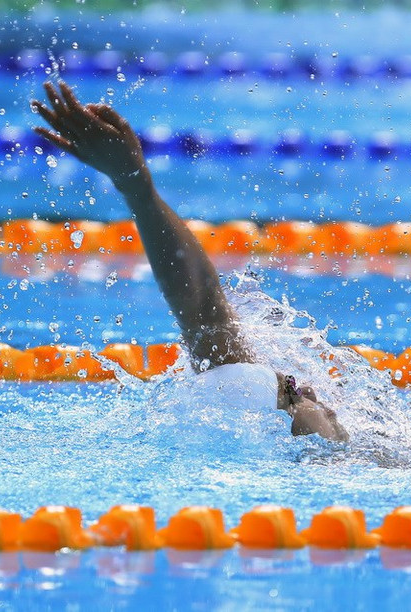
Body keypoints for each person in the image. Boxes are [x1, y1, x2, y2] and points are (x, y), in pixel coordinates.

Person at [32, 81, 348, 442]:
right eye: (290, 390)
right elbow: (203, 306)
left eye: (289, 387)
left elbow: (203, 306)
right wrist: (134, 186)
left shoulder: (289, 426)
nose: (304, 388)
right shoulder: (338, 449)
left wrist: (135, 185)